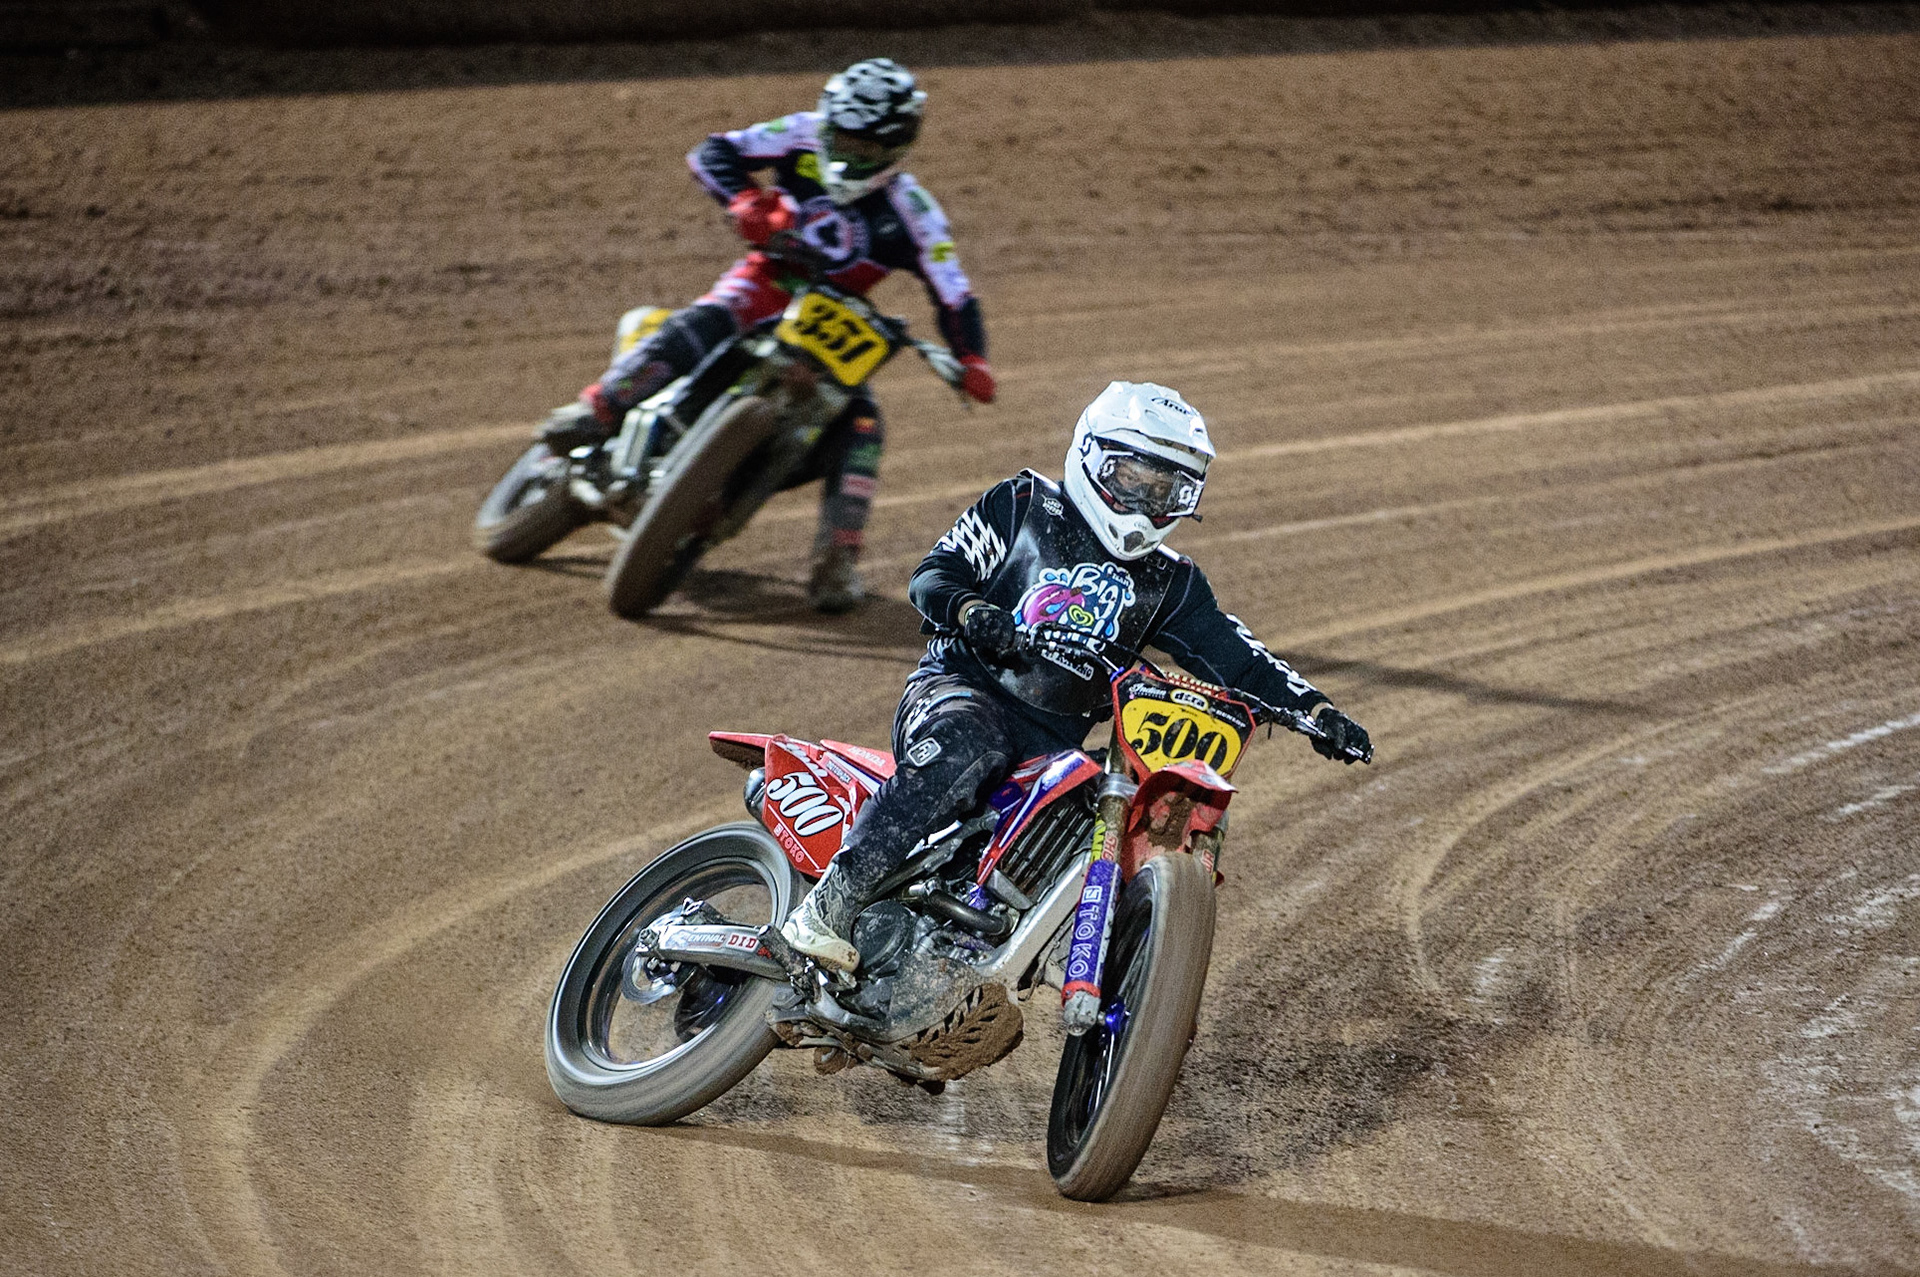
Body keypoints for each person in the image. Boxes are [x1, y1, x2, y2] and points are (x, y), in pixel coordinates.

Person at [781, 380, 1372, 969]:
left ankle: (1005, 962)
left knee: (1101, 814)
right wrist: (971, 610)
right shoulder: (1023, 504)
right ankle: (831, 903)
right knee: (969, 740)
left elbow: (1237, 657)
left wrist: (1317, 712)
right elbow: (933, 574)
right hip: (962, 688)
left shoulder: (1174, 582)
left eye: (1166, 488)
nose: (1146, 500)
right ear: (1092, 456)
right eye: (1133, 478)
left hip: (1055, 745)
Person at [541, 57, 995, 612]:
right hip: (771, 277)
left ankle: (836, 564)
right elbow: (713, 151)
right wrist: (743, 201)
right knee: (710, 319)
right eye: (840, 137)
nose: (847, 154)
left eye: (865, 148)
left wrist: (973, 359)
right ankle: (601, 407)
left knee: (862, 425)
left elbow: (954, 293)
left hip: (835, 324)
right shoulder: (798, 134)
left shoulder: (915, 212)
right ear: (826, 121)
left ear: (898, 145)